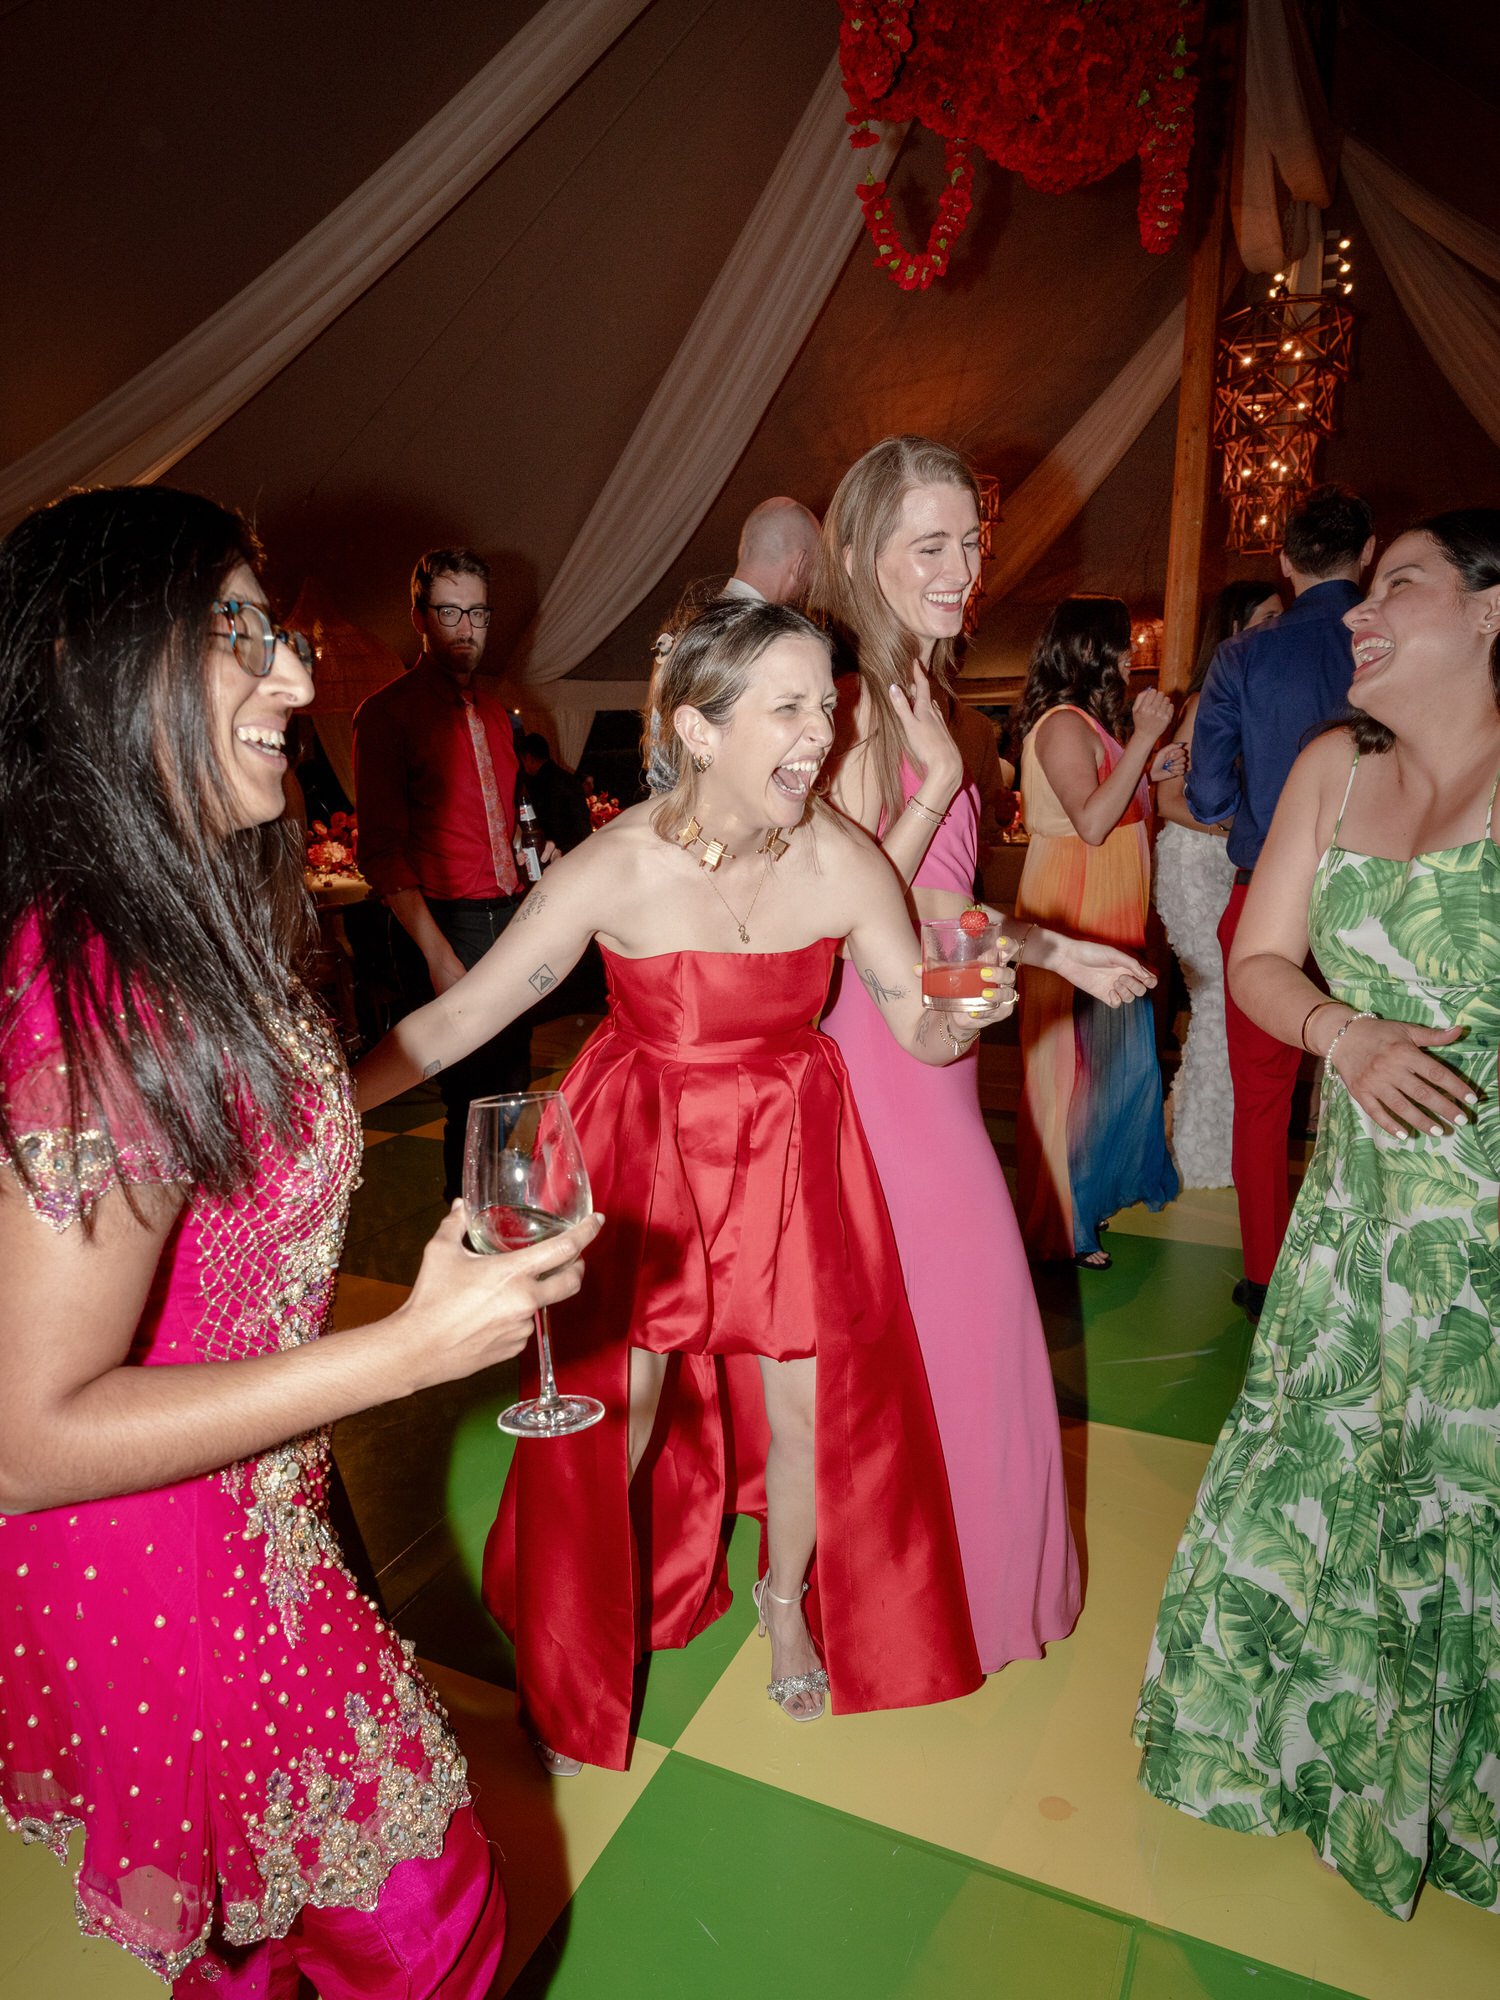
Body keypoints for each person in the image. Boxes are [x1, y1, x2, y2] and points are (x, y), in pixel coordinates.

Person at [0, 487, 603, 1995]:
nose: (296, 675)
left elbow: (304, 1100)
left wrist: (571, 924)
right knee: (429, 1927)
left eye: (280, 630)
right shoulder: (107, 993)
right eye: (240, 634)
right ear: (103, 661)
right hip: (166, 1556)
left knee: (279, 1948)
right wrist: (407, 1348)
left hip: (262, 1515)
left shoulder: (177, 922)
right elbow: (23, 1435)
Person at [356, 596, 1000, 1771]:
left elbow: (924, 1033)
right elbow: (458, 1020)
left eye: (831, 703)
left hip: (795, 1151)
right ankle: (574, 1649)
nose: (825, 731)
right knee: (621, 1413)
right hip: (643, 1155)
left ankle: (787, 1599)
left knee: (806, 1405)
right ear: (700, 732)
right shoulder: (618, 866)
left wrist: (968, 1011)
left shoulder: (845, 860)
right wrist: (310, 1113)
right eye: (792, 707)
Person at [1135, 510, 1500, 1921]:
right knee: (1323, 1502)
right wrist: (1343, 1038)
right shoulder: (1329, 771)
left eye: (1399, 583)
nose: (1361, 608)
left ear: (1486, 612)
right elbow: (1266, 956)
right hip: (1352, 1250)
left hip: (1481, 1263)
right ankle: (1323, 1768)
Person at [810, 435, 1155, 1675]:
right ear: (859, 552)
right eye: (931, 544)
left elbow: (944, 897)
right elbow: (831, 911)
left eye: (971, 541)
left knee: (963, 1327)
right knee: (965, 1317)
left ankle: (964, 1594)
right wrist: (939, 777)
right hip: (873, 1052)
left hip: (938, 1037)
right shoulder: (842, 695)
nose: (964, 568)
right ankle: (913, 1601)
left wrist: (1058, 945)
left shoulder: (922, 691)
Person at [1187, 487, 1375, 1317]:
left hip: (1267, 896)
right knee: (1377, 1085)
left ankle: (1266, 1275)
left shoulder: (1244, 658)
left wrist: (1259, 808)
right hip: (1380, 896)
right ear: (1367, 555)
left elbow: (1202, 794)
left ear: (1285, 561)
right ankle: (1367, 1272)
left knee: (1262, 1099)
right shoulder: (1390, 641)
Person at [353, 548, 532, 1200]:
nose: (466, 629)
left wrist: (529, 853)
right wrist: (437, 953)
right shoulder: (387, 714)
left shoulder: (495, 711)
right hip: (445, 922)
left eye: (477, 613)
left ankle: (502, 1218)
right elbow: (380, 852)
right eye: (449, 612)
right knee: (473, 1097)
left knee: (511, 1085)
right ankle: (474, 1241)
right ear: (419, 618)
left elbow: (504, 821)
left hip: (507, 916)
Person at [1015, 595, 1184, 1265]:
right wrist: (1143, 742)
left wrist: (1149, 765)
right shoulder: (1061, 723)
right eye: (1119, 646)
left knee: (1110, 1065)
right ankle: (1060, 1219)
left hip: (1108, 908)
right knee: (1072, 1069)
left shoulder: (1088, 723)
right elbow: (1090, 823)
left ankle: (1084, 1199)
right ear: (1092, 651)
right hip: (1074, 905)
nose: (1128, 658)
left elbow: (1119, 810)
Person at [1154, 582, 1282, 1188]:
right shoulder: (1207, 699)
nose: (1279, 630)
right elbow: (1169, 799)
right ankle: (1201, 1155)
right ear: (1236, 629)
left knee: (1229, 1004)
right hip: (1193, 862)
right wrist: (1243, 826)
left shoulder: (1254, 698)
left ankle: (1215, 1146)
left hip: (1225, 861)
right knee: (1216, 999)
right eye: (1268, 620)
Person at [722, 495, 822, 604]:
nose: (807, 588)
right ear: (799, 566)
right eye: (809, 577)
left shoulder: (703, 615)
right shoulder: (768, 621)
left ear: (741, 549)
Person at [518, 731, 593, 854]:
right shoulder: (568, 778)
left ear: (528, 757)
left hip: (555, 853)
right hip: (580, 849)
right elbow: (583, 823)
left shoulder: (536, 785)